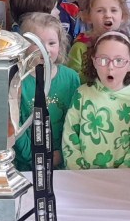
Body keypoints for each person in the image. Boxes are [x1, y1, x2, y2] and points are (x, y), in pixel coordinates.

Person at [62, 31, 130, 169]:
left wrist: (122, 175)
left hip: (120, 178)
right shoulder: (82, 94)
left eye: (119, 61)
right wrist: (78, 170)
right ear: (94, 61)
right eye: (103, 60)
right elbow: (70, 134)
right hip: (82, 176)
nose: (110, 67)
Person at [14, 12, 80, 169]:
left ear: (60, 45)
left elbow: (77, 122)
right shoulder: (16, 81)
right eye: (37, 43)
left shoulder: (71, 78)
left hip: (63, 162)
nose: (46, 49)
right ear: (24, 45)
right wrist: (33, 156)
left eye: (51, 43)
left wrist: (63, 153)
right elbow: (15, 125)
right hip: (27, 165)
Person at [65, 0, 130, 74]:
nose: (108, 15)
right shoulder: (80, 47)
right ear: (88, 16)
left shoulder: (129, 43)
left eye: (113, 10)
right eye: (100, 10)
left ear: (123, 16)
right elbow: (73, 77)